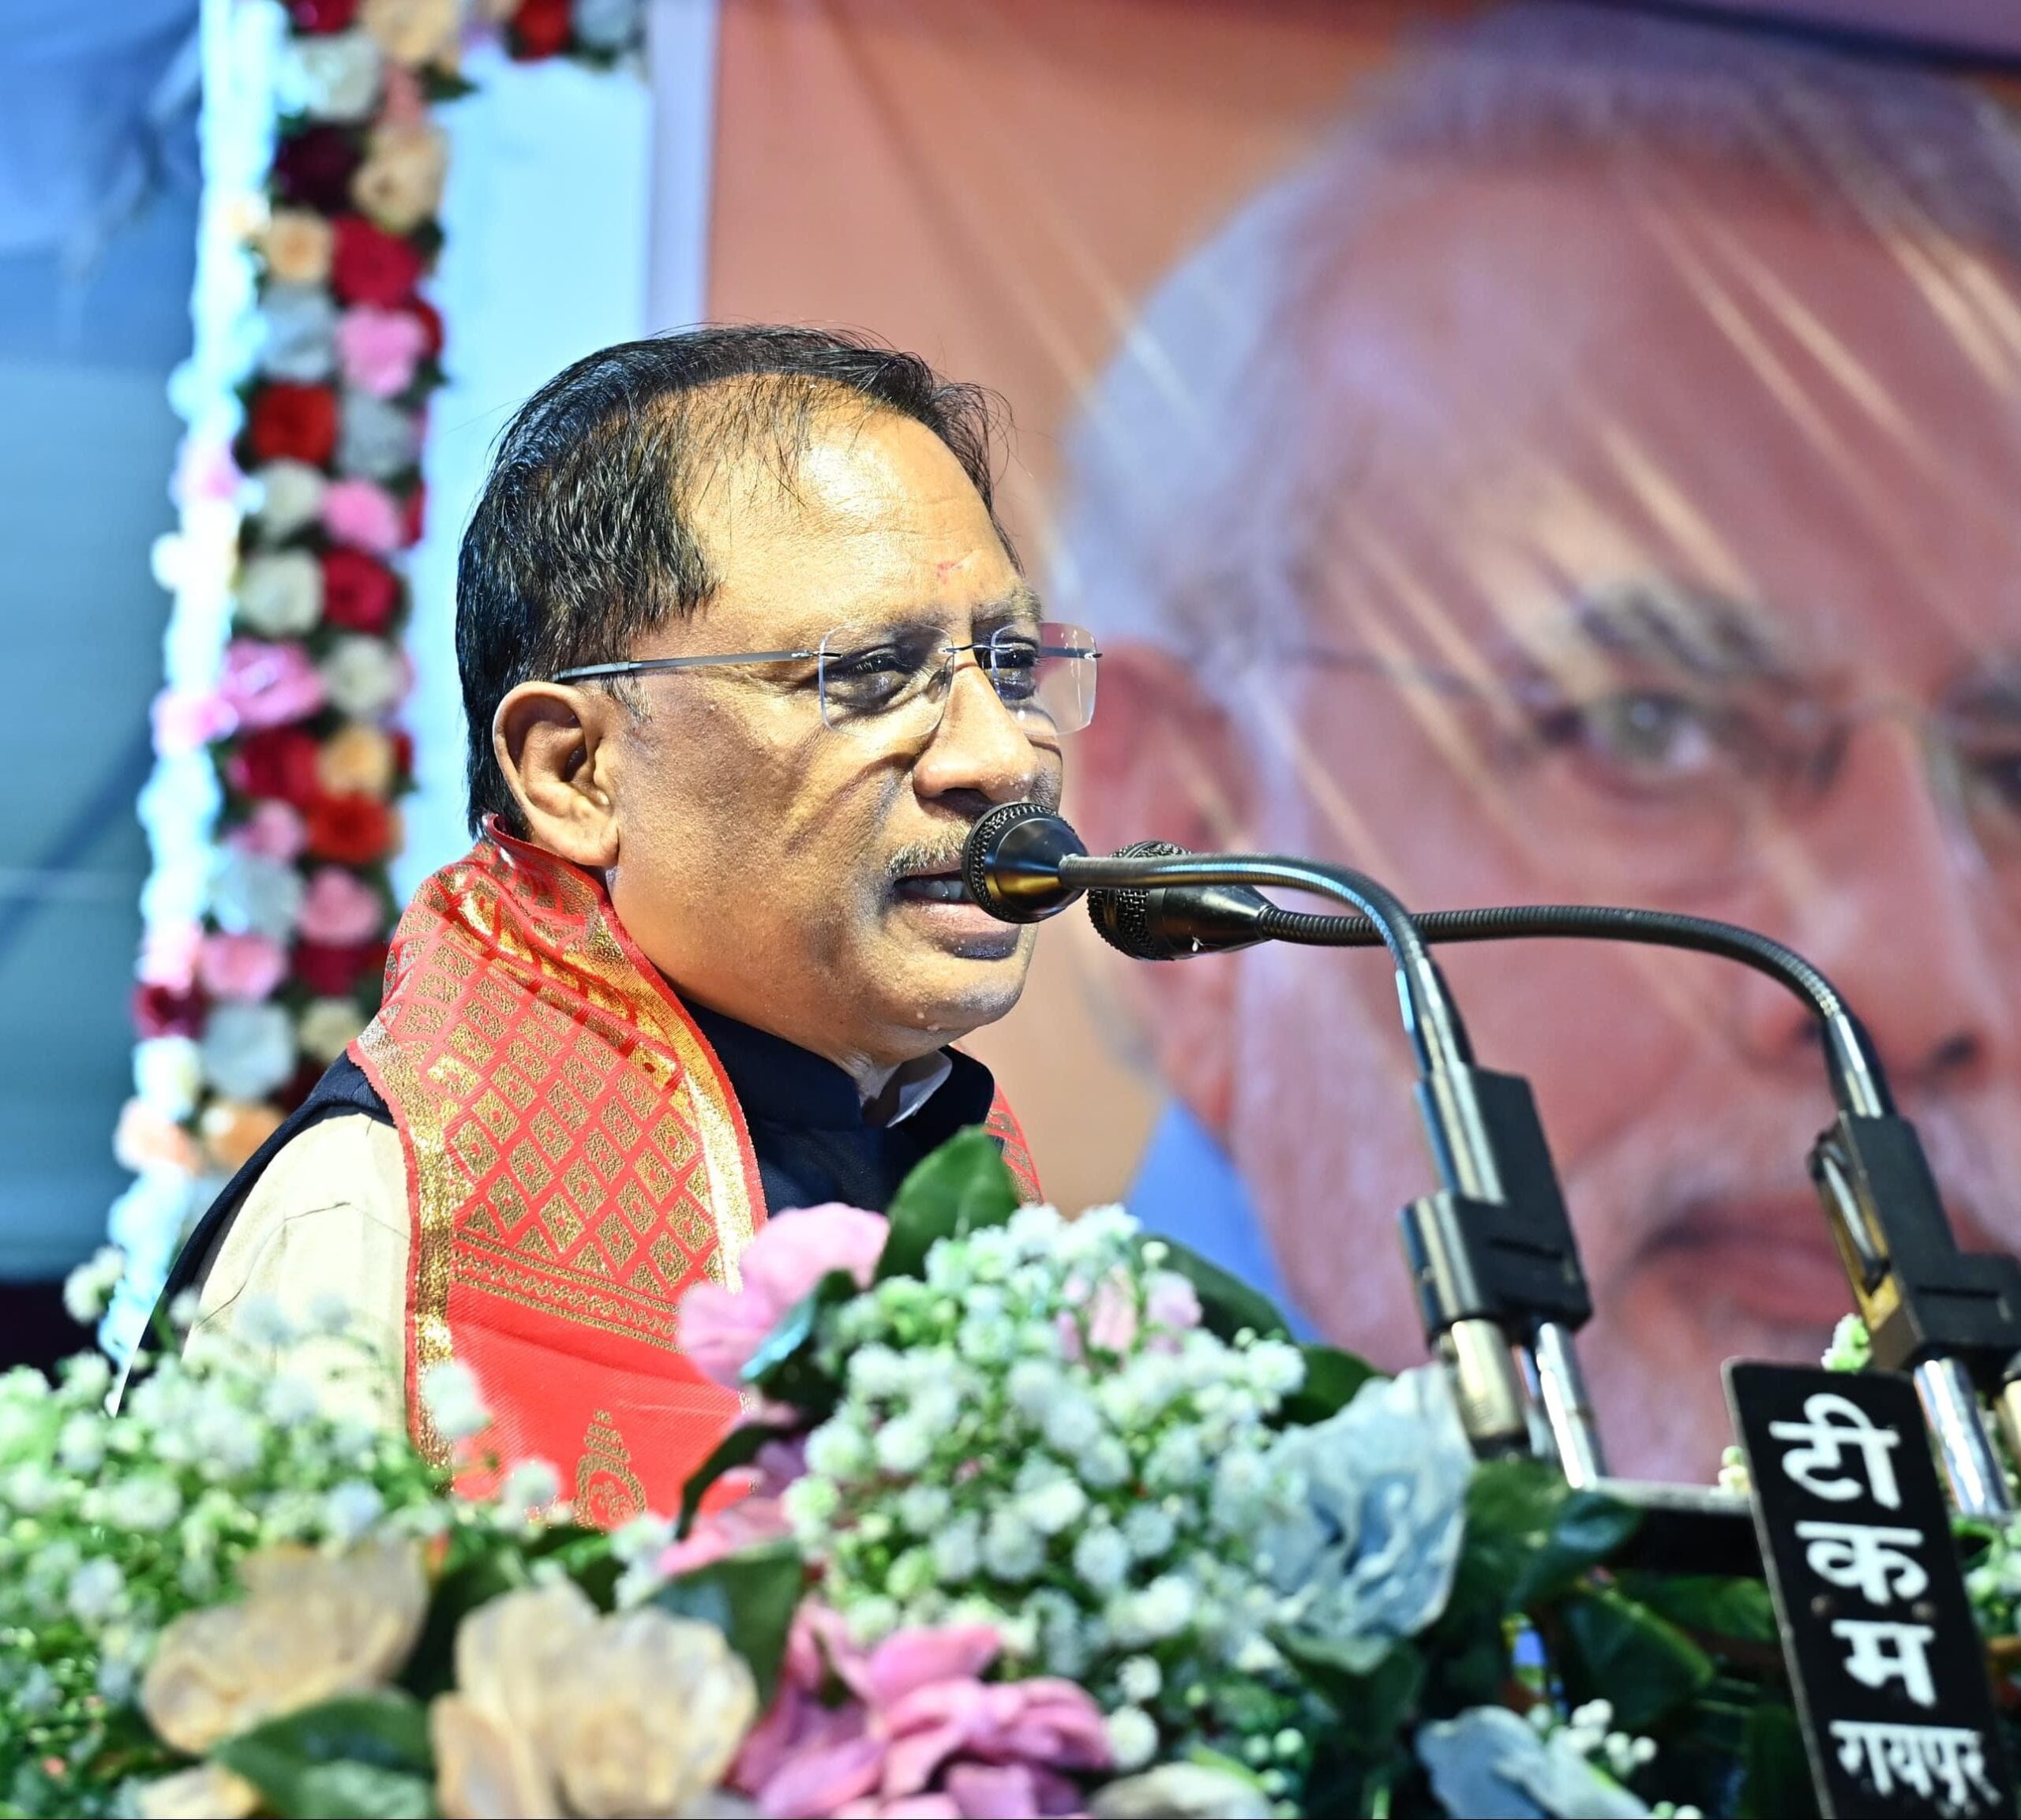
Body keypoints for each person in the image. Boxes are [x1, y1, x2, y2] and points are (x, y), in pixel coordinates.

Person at [1059, 5, 2021, 1480]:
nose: (1914, 978)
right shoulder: (872, 1589)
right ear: (1190, 845)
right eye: (1655, 729)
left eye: (2015, 779)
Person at [168, 328, 1095, 1518]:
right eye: (871, 671)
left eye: (1009, 665)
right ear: (575, 772)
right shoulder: (371, 1220)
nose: (1003, 756)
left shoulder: (957, 1173)